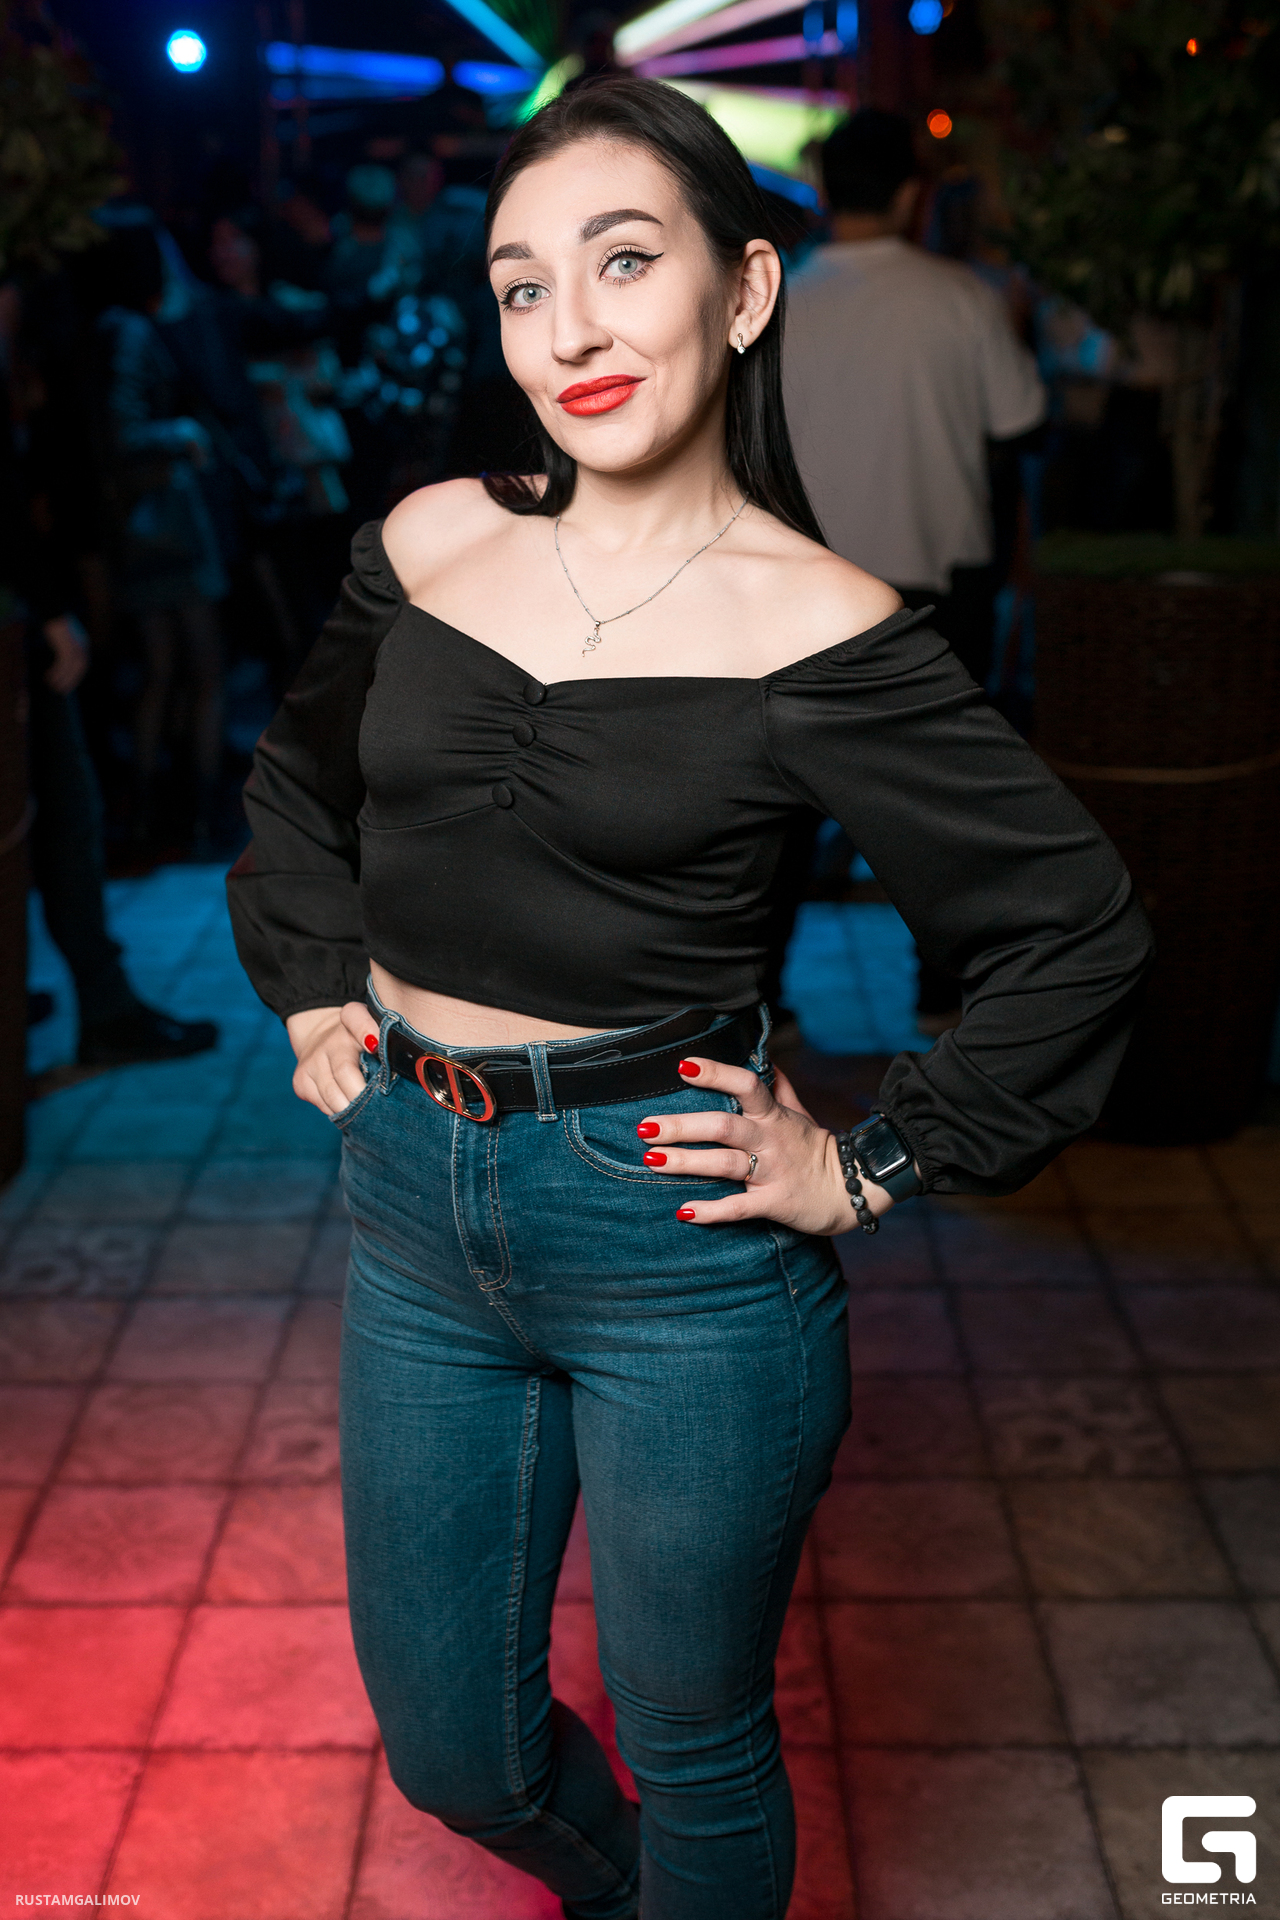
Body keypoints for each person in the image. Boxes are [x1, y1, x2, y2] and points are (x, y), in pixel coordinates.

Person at [227, 77, 1151, 1919]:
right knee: (456, 1751)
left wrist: (870, 1166)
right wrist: (314, 981)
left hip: (676, 1242)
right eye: (522, 285)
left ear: (743, 290)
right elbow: (297, 788)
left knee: (697, 1738)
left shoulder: (823, 626)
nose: (568, 328)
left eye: (624, 262)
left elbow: (1081, 927)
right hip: (413, 1207)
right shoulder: (433, 539)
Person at [783, 108, 1046, 690]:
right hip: (943, 579)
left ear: (825, 191)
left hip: (811, 580)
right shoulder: (965, 297)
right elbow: (1022, 420)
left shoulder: (777, 306)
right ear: (908, 195)